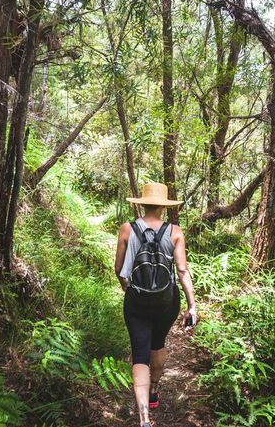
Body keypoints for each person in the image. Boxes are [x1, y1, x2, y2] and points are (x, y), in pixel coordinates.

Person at [114, 182, 198, 427]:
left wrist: (127, 288)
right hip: (166, 301)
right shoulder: (174, 231)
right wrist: (192, 306)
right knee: (158, 342)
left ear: (141, 203)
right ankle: (154, 390)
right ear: (163, 206)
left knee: (140, 353)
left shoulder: (127, 229)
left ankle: (144, 419)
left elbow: (119, 269)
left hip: (136, 301)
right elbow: (182, 270)